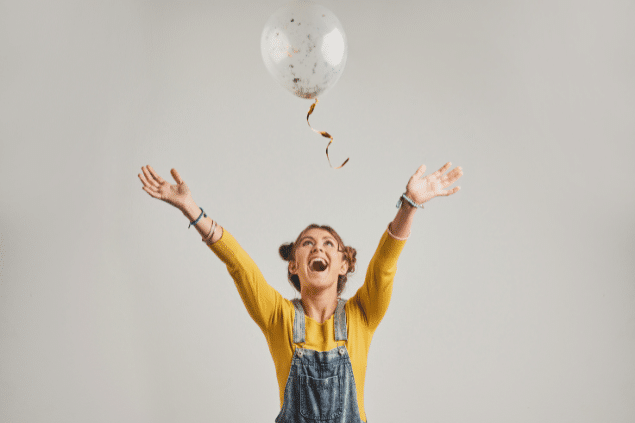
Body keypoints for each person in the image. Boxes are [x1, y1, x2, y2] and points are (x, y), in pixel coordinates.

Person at [138, 162, 463, 423]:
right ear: (294, 265)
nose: (316, 247)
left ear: (344, 264)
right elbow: (240, 265)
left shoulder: (362, 314)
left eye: (328, 245)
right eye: (307, 243)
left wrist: (410, 206)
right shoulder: (277, 317)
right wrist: (191, 208)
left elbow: (384, 265)